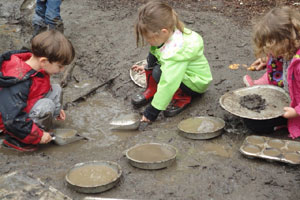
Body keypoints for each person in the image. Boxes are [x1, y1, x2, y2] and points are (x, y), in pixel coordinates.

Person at [131, 0, 212, 122]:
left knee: (159, 72)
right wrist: (147, 67)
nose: (147, 41)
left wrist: (152, 111)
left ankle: (183, 97)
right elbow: (155, 52)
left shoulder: (176, 52)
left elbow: (169, 82)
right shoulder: (170, 32)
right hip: (182, 74)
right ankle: (153, 89)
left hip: (196, 83)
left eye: (149, 38)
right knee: (155, 58)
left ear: (163, 32)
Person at [0, 30, 75, 151]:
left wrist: (57, 109)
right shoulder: (18, 81)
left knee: (56, 89)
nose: (62, 70)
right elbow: (12, 119)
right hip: (11, 122)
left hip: (25, 105)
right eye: (60, 66)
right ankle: (18, 140)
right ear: (44, 61)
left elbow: (40, 90)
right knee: (46, 105)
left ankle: (44, 126)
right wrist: (38, 136)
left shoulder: (37, 67)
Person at [243, 6, 300, 139]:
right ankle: (266, 83)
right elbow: (281, 63)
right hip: (289, 92)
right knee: (249, 114)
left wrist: (295, 112)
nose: (269, 51)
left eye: (270, 47)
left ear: (286, 41)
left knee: (255, 124)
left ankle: (285, 124)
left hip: (296, 107)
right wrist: (266, 61)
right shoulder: (288, 50)